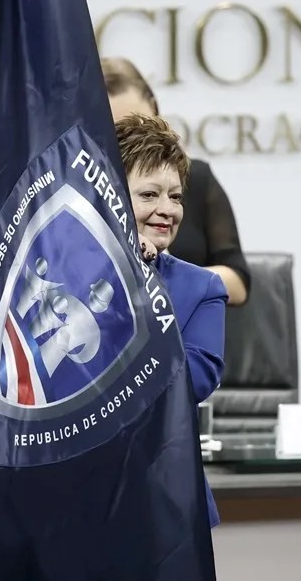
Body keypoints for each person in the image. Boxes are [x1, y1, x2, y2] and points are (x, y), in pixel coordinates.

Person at [116, 113, 227, 528]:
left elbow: (188, 383)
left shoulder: (203, 288)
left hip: (162, 500)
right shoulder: (61, 276)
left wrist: (140, 282)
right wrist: (114, 267)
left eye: (175, 197)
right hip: (68, 497)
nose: (167, 210)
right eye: (149, 194)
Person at [102, 56, 250, 306]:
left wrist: (170, 278)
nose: (131, 139)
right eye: (117, 131)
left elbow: (237, 281)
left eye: (175, 197)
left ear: (155, 109)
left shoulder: (197, 178)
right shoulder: (83, 190)